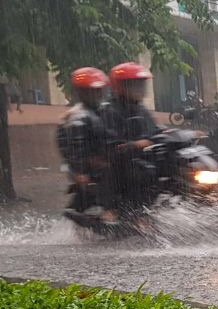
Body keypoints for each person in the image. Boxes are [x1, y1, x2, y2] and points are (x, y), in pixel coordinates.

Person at [103, 62, 160, 214]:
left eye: (141, 85)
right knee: (141, 171)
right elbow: (112, 142)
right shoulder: (111, 110)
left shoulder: (140, 108)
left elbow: (154, 129)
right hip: (122, 160)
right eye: (135, 85)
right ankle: (129, 211)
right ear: (121, 86)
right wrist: (134, 144)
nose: (140, 89)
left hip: (144, 155)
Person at [57, 67, 114, 219]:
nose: (96, 94)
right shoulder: (77, 117)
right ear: (81, 92)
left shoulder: (100, 111)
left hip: (97, 160)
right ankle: (109, 211)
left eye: (98, 90)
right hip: (88, 166)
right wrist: (80, 171)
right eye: (91, 91)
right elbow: (76, 146)